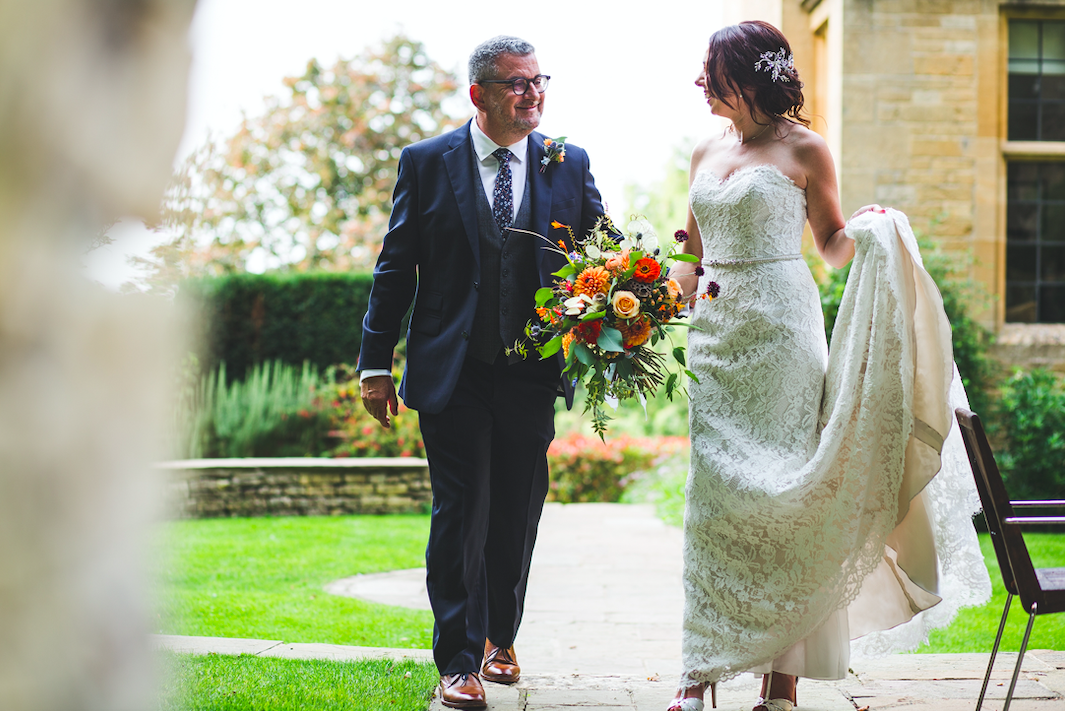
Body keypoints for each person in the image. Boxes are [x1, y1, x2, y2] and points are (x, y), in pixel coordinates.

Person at [667, 20, 989, 711]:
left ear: (748, 75)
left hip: (783, 334)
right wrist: (642, 300)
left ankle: (779, 682)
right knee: (713, 501)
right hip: (715, 344)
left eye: (711, 70)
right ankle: (697, 673)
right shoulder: (703, 150)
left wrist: (871, 231)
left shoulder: (806, 148)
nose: (700, 83)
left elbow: (832, 246)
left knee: (787, 496)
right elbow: (689, 255)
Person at [357, 36, 608, 709]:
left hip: (530, 371)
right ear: (479, 95)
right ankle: (458, 660)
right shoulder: (428, 162)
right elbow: (395, 266)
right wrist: (375, 363)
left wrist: (619, 316)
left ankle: (501, 636)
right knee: (460, 511)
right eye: (516, 84)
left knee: (517, 513)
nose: (533, 94)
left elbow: (601, 254)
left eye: (538, 81)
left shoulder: (566, 161)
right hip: (453, 369)